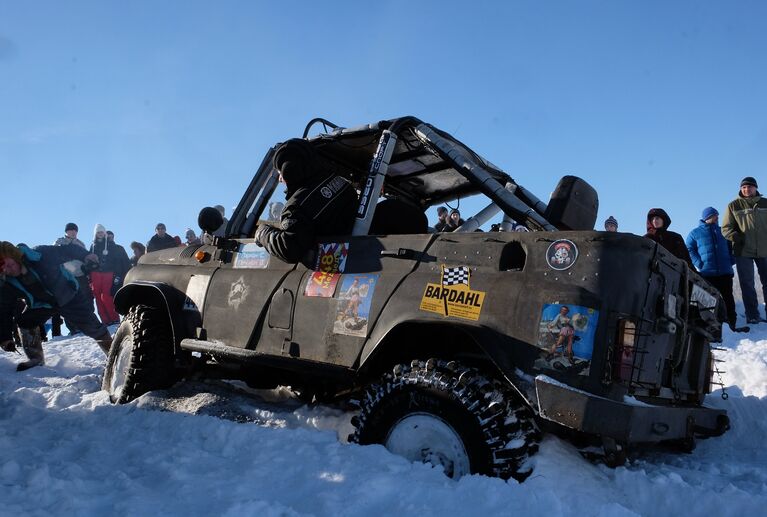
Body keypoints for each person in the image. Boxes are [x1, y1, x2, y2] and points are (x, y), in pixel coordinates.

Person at [0, 241, 112, 371]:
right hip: (43, 304)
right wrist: (5, 338)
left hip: (69, 297)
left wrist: (86, 256)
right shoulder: (7, 283)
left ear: (16, 257)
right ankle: (36, 358)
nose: (9, 271)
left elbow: (67, 250)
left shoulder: (41, 254)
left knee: (93, 328)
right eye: (4, 270)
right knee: (25, 321)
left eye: (10, 265)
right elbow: (4, 310)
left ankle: (113, 354)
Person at [255, 138, 358, 263]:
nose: (280, 179)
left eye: (280, 172)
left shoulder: (296, 208)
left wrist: (262, 232)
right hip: (356, 253)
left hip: (334, 266)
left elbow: (290, 249)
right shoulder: (340, 182)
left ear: (289, 169)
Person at [686, 207, 748, 333]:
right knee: (708, 301)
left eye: (717, 216)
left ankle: (731, 326)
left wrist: (731, 260)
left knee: (728, 299)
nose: (717, 218)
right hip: (707, 274)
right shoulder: (695, 233)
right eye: (714, 216)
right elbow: (689, 249)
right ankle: (712, 328)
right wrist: (699, 263)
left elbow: (733, 247)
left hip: (725, 272)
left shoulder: (723, 232)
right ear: (707, 218)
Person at [721, 177, 767, 324]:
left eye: (749, 187)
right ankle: (752, 315)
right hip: (743, 251)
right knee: (747, 284)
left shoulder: (765, 203)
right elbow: (726, 228)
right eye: (744, 187)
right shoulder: (733, 205)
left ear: (756, 188)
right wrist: (736, 237)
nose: (747, 190)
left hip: (765, 249)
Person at [53, 222, 91, 336]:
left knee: (84, 300)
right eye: (71, 230)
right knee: (69, 301)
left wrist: (87, 270)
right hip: (66, 277)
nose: (73, 232)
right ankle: (73, 327)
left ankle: (85, 325)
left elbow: (86, 258)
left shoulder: (80, 243)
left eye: (75, 230)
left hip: (81, 276)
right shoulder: (59, 242)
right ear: (66, 231)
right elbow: (53, 257)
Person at [89, 225, 130, 326]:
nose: (100, 234)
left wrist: (116, 274)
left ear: (104, 233)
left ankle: (114, 318)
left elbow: (115, 260)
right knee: (97, 296)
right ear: (95, 233)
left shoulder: (110, 244)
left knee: (107, 295)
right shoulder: (92, 246)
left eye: (102, 232)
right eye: (98, 232)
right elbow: (89, 259)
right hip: (95, 273)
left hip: (108, 273)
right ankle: (105, 320)